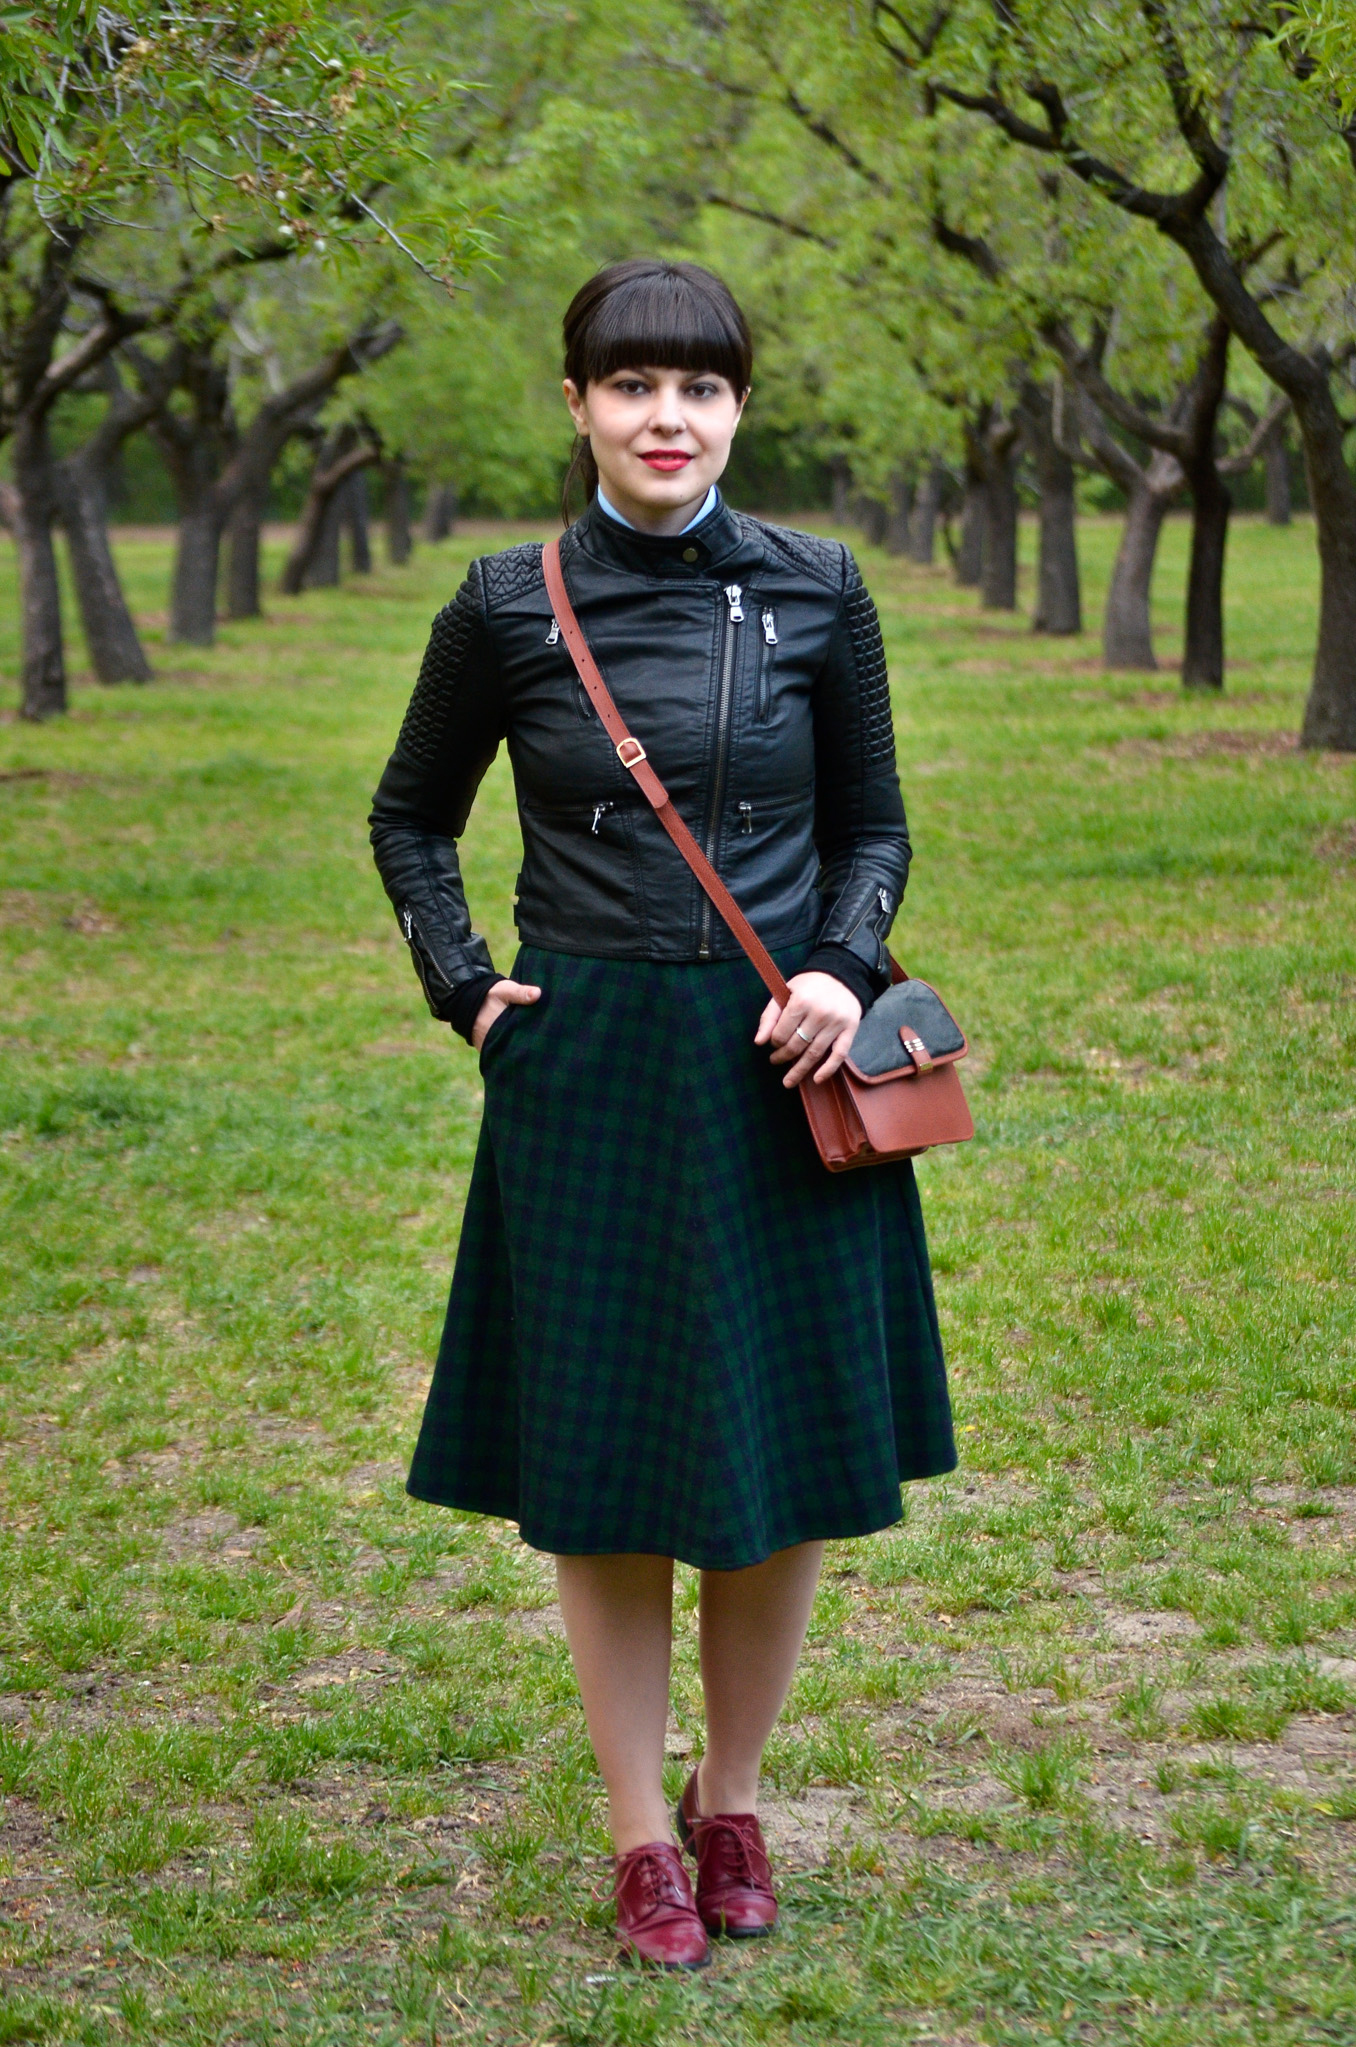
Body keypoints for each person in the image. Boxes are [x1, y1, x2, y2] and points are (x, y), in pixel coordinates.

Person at [370, 259, 955, 1969]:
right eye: (631, 385)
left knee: (769, 1467)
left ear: (738, 410)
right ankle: (640, 1834)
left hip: (783, 1065)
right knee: (612, 1468)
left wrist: (845, 967)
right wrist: (464, 983)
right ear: (577, 407)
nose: (666, 418)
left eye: (698, 388)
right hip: (594, 1066)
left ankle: (737, 1800)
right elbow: (411, 817)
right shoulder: (503, 603)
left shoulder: (819, 589)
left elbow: (878, 825)